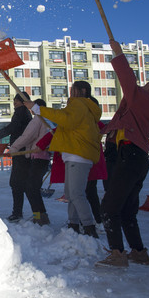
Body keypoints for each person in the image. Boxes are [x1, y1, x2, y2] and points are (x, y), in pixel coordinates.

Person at [96, 40, 149, 268]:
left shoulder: (145, 99)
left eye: (147, 84)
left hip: (129, 157)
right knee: (127, 210)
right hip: (137, 158)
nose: (142, 86)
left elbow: (127, 80)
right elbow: (118, 122)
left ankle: (117, 254)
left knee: (110, 207)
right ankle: (139, 252)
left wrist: (118, 54)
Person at [24, 81, 102, 238]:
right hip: (75, 154)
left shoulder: (79, 104)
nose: (71, 91)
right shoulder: (82, 107)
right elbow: (65, 124)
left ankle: (89, 227)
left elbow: (64, 118)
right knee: (71, 193)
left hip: (78, 155)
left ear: (82, 90)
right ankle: (73, 224)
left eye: (73, 89)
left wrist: (37, 108)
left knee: (76, 194)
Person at [8, 98, 53, 226]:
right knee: (32, 188)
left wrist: (14, 148)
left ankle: (40, 218)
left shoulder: (39, 119)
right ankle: (40, 217)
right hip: (43, 157)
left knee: (31, 188)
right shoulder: (49, 119)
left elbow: (27, 136)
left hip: (38, 157)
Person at [0, 92, 32, 222]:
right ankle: (30, 212)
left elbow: (11, 128)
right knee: (21, 184)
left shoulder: (21, 112)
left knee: (16, 183)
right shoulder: (25, 113)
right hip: (21, 151)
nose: (14, 104)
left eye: (16, 101)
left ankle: (19, 213)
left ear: (23, 102)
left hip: (21, 152)